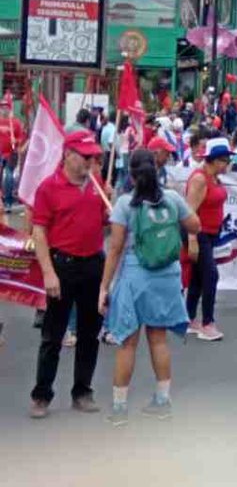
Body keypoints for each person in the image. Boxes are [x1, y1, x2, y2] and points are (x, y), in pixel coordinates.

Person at [99, 150, 201, 425]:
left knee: (127, 344)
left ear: (131, 175)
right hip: (167, 276)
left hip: (135, 277)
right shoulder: (172, 198)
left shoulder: (124, 204)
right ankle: (162, 401)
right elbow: (195, 224)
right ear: (156, 170)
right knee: (158, 339)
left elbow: (116, 248)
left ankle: (120, 409)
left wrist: (104, 287)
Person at [29, 129, 110, 419]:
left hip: (93, 265)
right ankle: (41, 395)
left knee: (90, 333)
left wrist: (111, 208)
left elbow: (104, 223)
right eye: (86, 156)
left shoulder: (96, 184)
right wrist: (48, 273)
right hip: (62, 264)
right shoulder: (49, 187)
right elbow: (38, 231)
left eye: (93, 156)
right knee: (53, 334)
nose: (91, 161)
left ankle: (82, 391)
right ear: (68, 155)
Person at [184, 138, 231, 342]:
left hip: (211, 233)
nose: (228, 164)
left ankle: (189, 318)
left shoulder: (214, 178)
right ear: (214, 160)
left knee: (198, 277)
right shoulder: (200, 179)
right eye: (225, 160)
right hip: (199, 232)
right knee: (210, 275)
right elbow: (189, 212)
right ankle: (207, 323)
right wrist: (192, 239)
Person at [0, 95, 25, 213]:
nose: (4, 109)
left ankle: (8, 202)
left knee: (9, 177)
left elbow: (21, 137)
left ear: (10, 109)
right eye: (2, 107)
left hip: (11, 153)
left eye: (6, 107)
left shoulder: (15, 123)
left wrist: (17, 141)